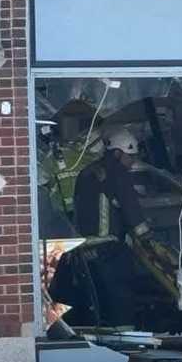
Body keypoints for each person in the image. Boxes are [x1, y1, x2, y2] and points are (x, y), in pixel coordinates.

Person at [71, 126, 150, 327]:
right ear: (117, 153)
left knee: (97, 298)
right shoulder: (117, 172)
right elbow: (131, 207)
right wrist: (146, 235)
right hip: (109, 246)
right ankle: (126, 339)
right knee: (122, 294)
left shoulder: (87, 172)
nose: (132, 162)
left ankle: (102, 338)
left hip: (84, 248)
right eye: (129, 156)